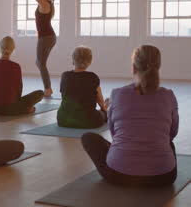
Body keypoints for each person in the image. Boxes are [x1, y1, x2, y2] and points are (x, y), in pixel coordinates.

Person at [82, 45, 178, 186]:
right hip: (164, 178)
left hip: (119, 175)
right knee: (168, 142)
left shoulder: (117, 94)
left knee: (88, 138)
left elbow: (115, 134)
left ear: (134, 68)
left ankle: (120, 155)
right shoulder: (169, 95)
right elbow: (172, 133)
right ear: (158, 67)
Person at [21, 0, 57, 97]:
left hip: (46, 37)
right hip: (48, 37)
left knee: (41, 63)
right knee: (39, 62)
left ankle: (47, 89)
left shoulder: (44, 3)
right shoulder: (46, 1)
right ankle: (48, 87)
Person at [0, 36, 44, 116]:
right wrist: (21, 105)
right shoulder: (16, 67)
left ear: (0, 48)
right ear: (13, 49)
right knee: (40, 93)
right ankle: (26, 109)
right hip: (10, 109)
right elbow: (19, 89)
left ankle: (23, 108)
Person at [57, 46, 107, 129]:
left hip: (63, 120)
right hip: (88, 121)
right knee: (105, 112)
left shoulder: (65, 76)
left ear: (73, 60)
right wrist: (105, 111)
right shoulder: (92, 77)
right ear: (89, 61)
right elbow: (100, 101)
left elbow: (64, 96)